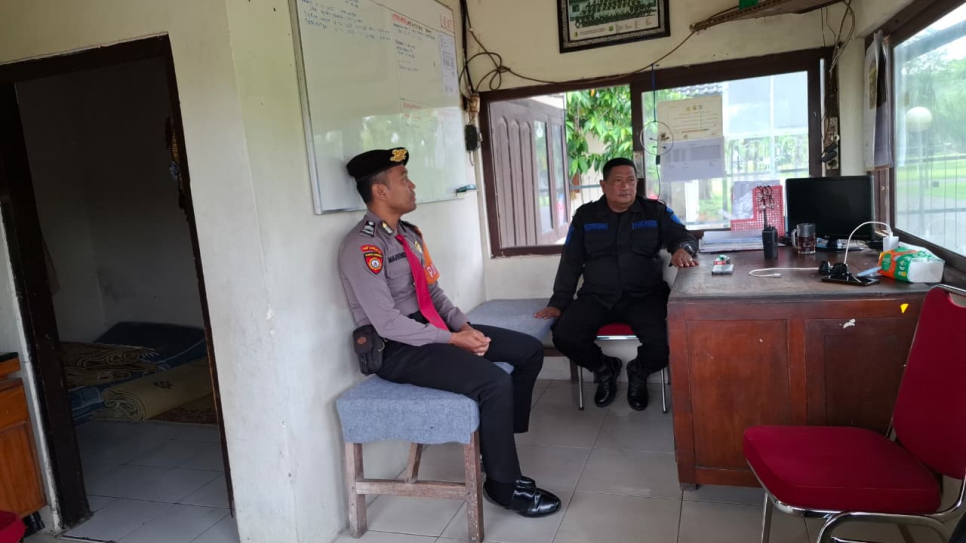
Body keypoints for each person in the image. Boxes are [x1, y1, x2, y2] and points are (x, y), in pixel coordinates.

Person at [337, 147, 561, 518]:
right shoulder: (362, 246)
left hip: (433, 330)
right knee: (494, 383)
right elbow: (388, 323)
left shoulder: (409, 235)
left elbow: (434, 294)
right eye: (404, 179)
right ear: (380, 191)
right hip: (397, 348)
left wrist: (464, 327)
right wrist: (454, 340)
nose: (412, 186)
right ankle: (503, 486)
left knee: (527, 350)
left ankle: (497, 444)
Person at [536, 157, 698, 411]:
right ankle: (605, 368)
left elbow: (684, 236)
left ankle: (639, 371)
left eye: (631, 181)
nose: (626, 186)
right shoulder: (586, 216)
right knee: (564, 335)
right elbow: (571, 262)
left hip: (644, 296)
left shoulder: (655, 212)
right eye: (618, 181)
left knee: (664, 344)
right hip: (597, 296)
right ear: (603, 185)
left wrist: (682, 249)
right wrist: (558, 303)